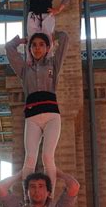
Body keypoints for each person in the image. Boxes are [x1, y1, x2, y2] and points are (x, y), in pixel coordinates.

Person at [5, 28, 69, 194]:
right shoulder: (24, 70)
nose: (37, 48)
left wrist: (53, 36)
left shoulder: (53, 65)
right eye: (34, 45)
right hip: (32, 118)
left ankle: (49, 196)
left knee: (48, 157)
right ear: (30, 49)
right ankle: (28, 199)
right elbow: (9, 48)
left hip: (52, 117)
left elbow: (65, 39)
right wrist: (21, 41)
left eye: (41, 45)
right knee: (30, 158)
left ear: (47, 48)